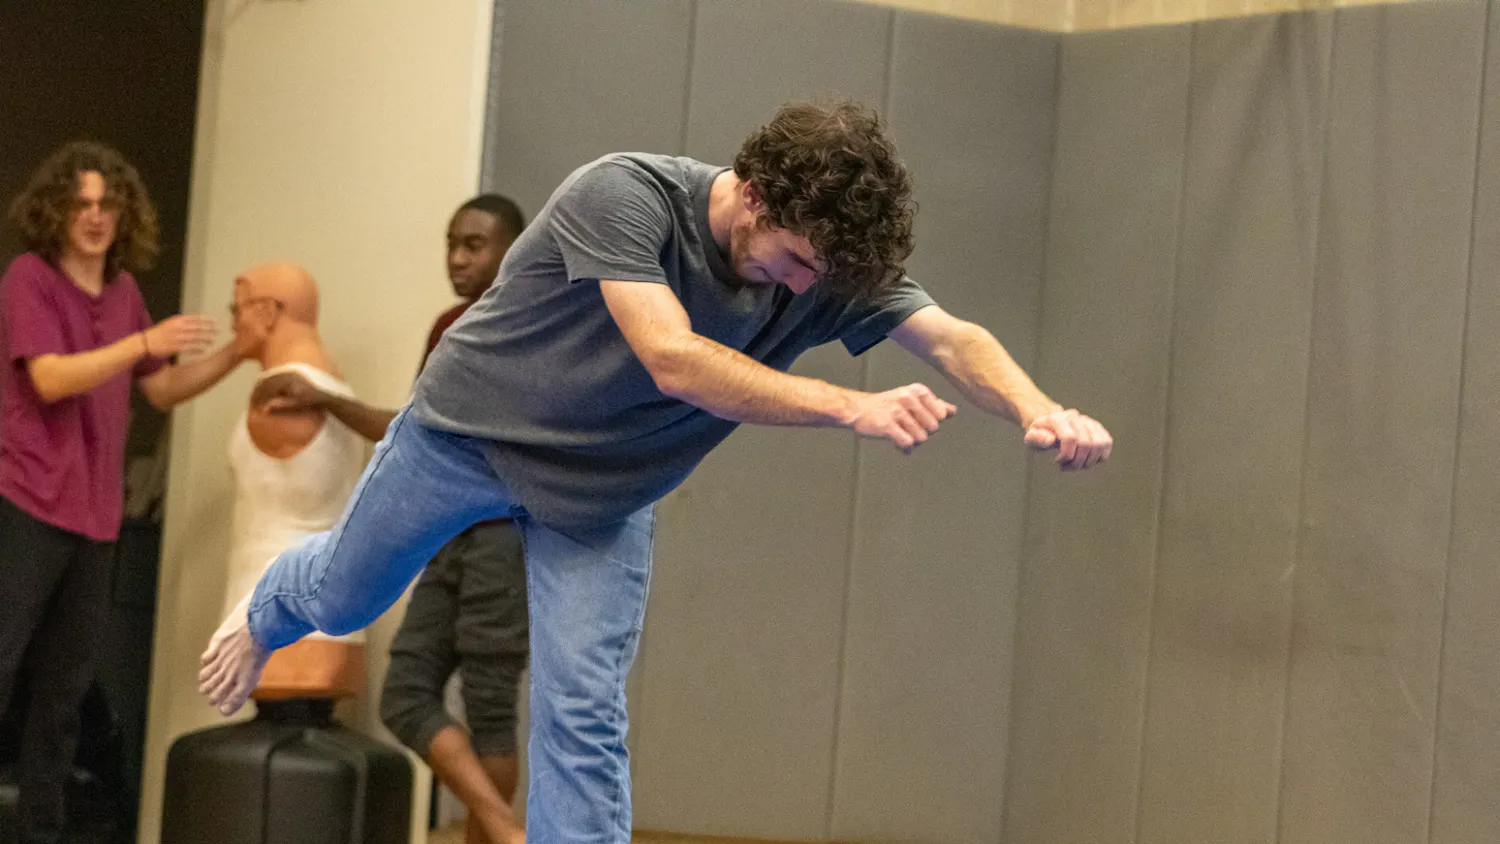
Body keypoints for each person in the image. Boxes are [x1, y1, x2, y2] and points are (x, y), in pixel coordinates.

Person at [200, 102, 1114, 844]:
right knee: (347, 600)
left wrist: (1036, 407)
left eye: (821, 275)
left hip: (602, 492)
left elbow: (949, 337)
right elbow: (671, 357)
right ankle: (279, 596)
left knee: (583, 708)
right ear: (751, 196)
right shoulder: (624, 195)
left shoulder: (824, 262)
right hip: (467, 437)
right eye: (796, 262)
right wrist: (851, 406)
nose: (805, 290)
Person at [250, 195, 529, 844]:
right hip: (444, 537)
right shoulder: (446, 328)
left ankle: (490, 832)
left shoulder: (528, 325)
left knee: (489, 709)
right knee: (405, 693)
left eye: (475, 245)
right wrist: (324, 398)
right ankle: (504, 828)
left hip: (505, 538)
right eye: (451, 243)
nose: (458, 258)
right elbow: (412, 435)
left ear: (510, 251)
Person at [0, 141, 250, 844]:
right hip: (26, 501)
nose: (93, 216)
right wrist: (143, 345)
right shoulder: (30, 279)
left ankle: (39, 833)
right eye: (79, 203)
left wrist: (240, 350)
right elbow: (49, 378)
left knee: (65, 693)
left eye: (105, 203)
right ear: (56, 211)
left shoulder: (125, 295)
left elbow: (163, 389)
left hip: (97, 520)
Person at [216, 262, 369, 703]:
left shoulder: (283, 395)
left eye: (237, 308)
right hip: (327, 620)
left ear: (267, 312)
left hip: (277, 623)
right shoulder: (332, 385)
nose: (233, 323)